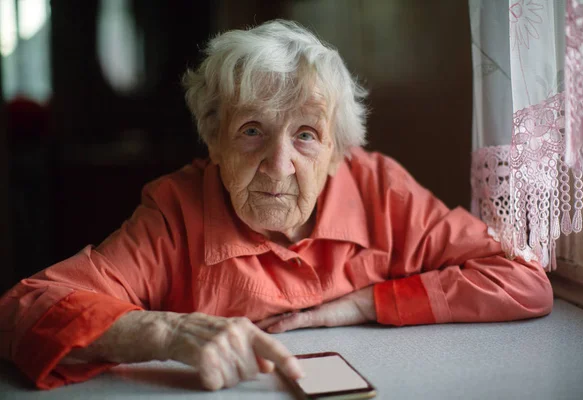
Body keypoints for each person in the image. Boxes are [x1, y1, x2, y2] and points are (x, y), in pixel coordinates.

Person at [0, 20, 553, 392]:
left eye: (306, 135)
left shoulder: (382, 191)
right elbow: (23, 309)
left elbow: (523, 281)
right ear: (213, 142)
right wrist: (168, 332)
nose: (279, 163)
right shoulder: (177, 214)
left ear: (338, 151)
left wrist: (363, 303)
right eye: (251, 130)